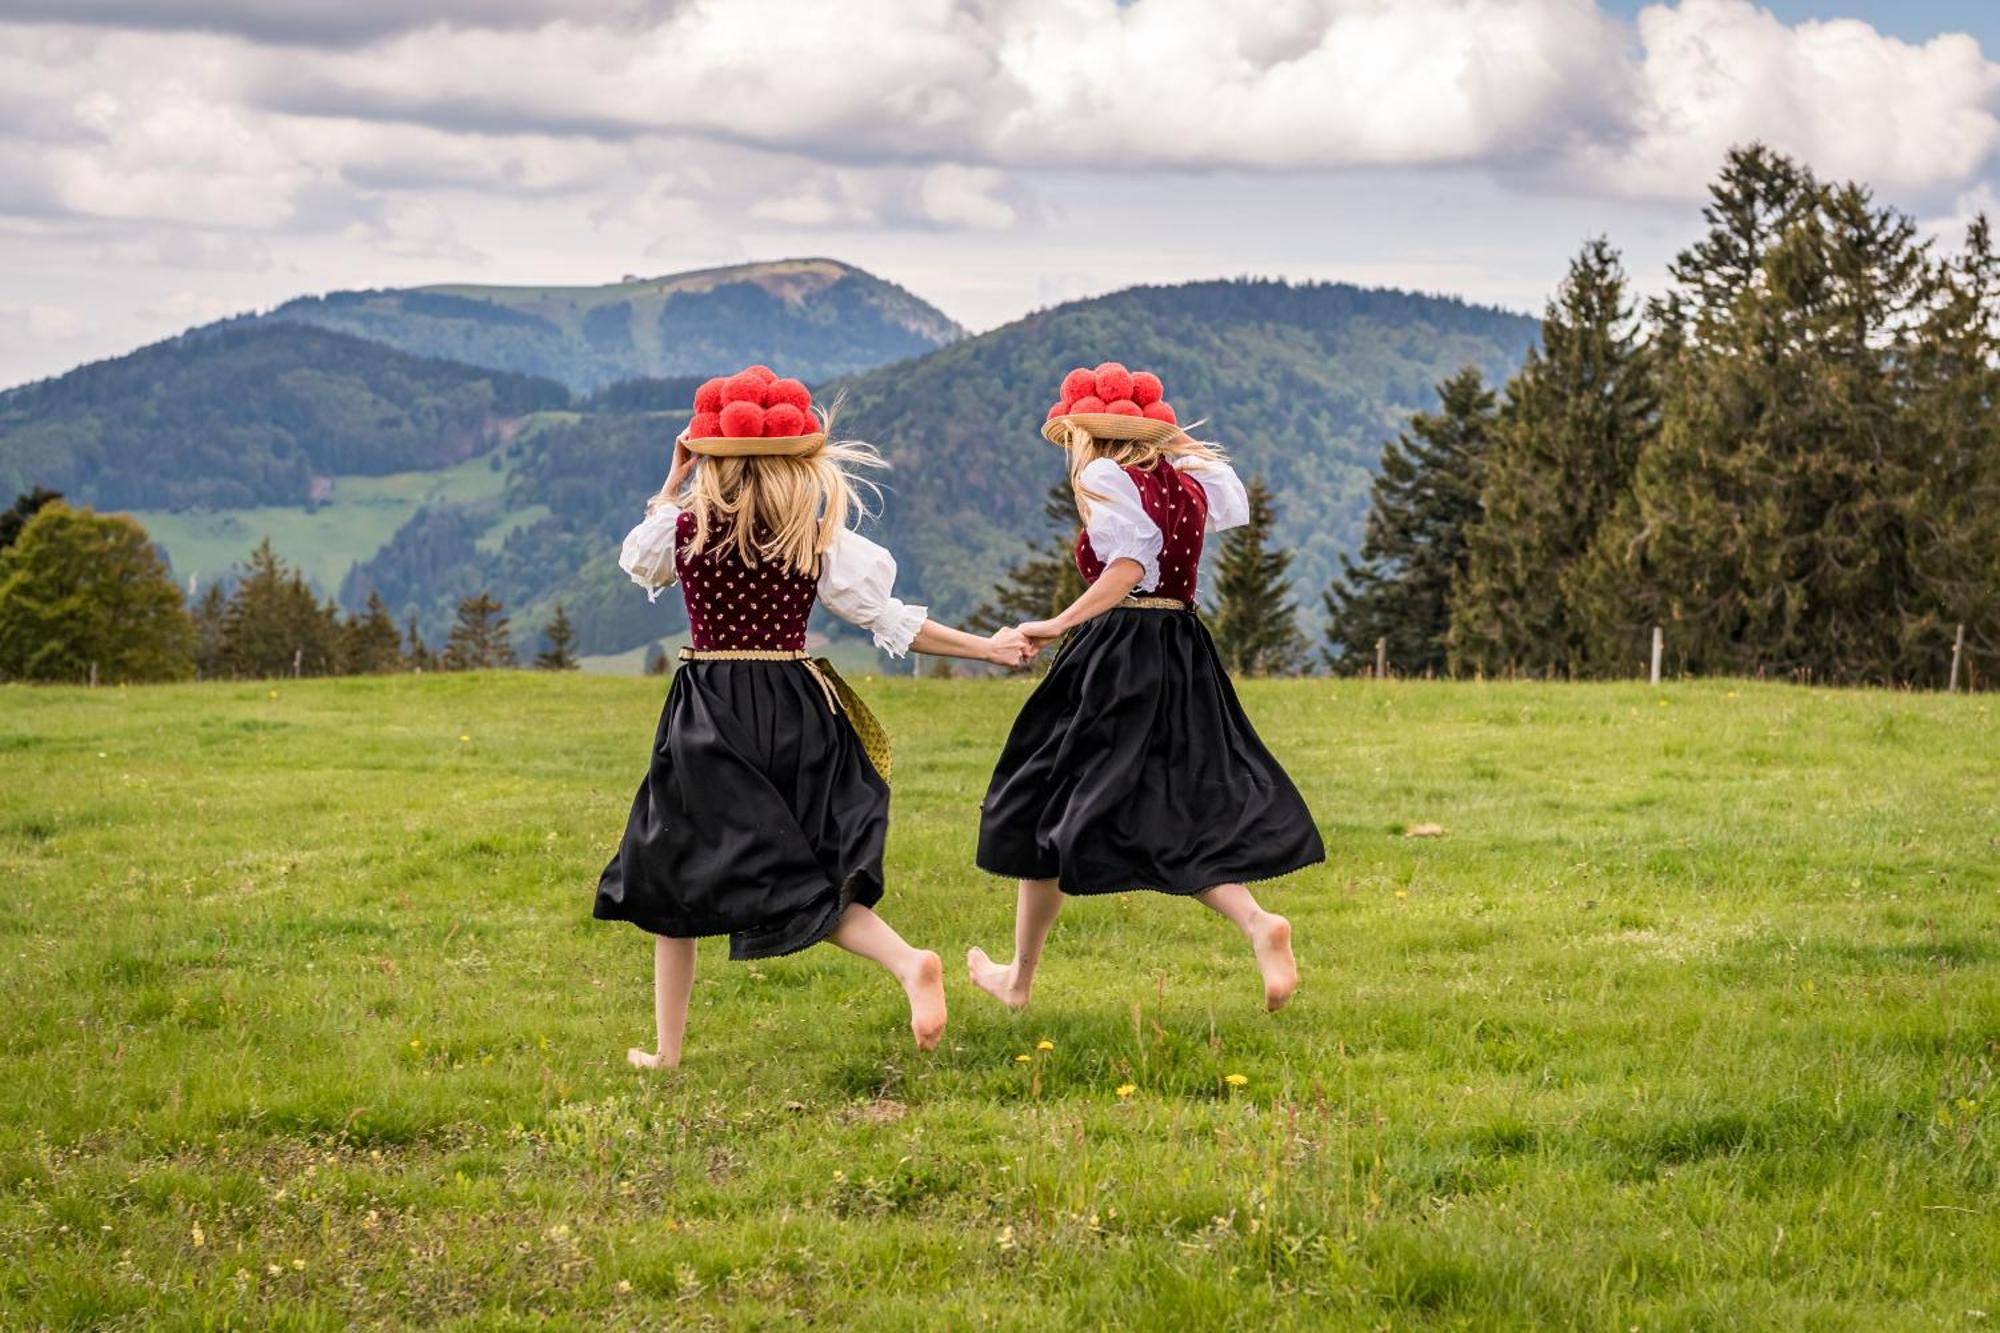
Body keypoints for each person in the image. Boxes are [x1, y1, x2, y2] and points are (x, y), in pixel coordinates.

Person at [598, 365, 1031, 1067]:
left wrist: (671, 480)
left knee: (674, 868)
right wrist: (985, 646)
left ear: (708, 455)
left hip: (713, 709)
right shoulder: (814, 532)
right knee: (799, 868)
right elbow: (889, 620)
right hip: (798, 710)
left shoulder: (683, 526)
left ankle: (671, 1050)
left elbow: (638, 565)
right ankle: (901, 960)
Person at [969, 362, 1324, 1012]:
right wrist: (1169, 445)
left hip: (1118, 652)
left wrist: (1056, 622)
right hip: (1181, 650)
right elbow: (1224, 501)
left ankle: (1021, 978)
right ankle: (1254, 925)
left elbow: (1129, 566)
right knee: (1147, 809)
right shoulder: (1189, 482)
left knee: (1049, 801)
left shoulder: (1101, 476)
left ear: (1085, 435)